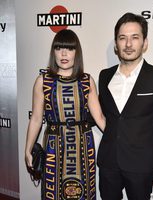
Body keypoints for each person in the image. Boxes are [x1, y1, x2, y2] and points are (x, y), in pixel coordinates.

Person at [97, 12, 153, 200]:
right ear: (116, 44)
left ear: (145, 43)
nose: (128, 44)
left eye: (135, 38)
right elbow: (98, 113)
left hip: (141, 166)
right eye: (122, 38)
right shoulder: (104, 76)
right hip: (108, 163)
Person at [25, 29, 106, 200]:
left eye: (69, 48)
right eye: (58, 48)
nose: (63, 53)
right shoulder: (43, 81)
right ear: (53, 51)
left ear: (77, 52)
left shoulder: (87, 80)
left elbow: (99, 118)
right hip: (54, 144)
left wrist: (121, 142)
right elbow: (37, 118)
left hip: (83, 143)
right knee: (53, 192)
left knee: (84, 191)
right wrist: (27, 149)